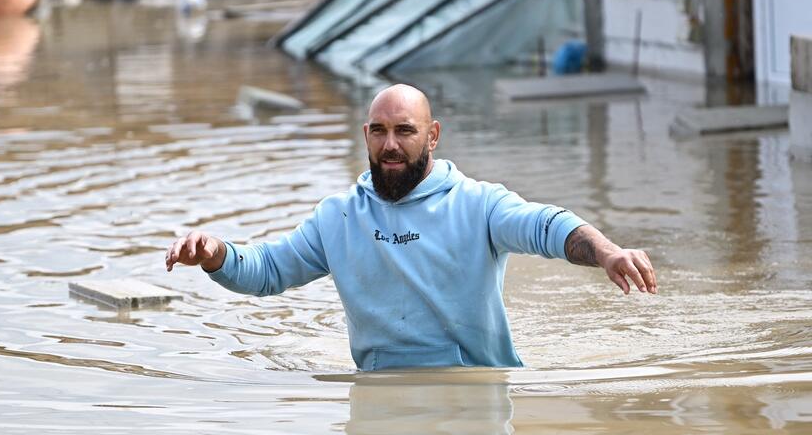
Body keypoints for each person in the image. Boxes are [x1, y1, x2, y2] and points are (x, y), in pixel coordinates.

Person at [165, 84, 657, 371]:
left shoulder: (479, 204)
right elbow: (267, 271)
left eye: (405, 130)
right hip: (378, 398)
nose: (391, 145)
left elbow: (548, 226)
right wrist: (215, 254)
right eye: (379, 131)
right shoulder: (337, 216)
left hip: (473, 393)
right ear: (366, 136)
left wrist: (607, 252)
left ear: (433, 135)